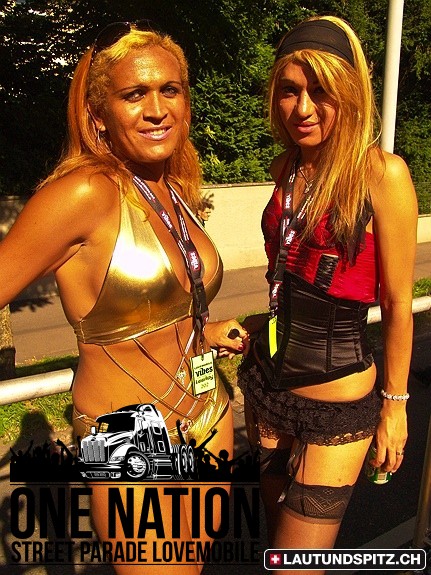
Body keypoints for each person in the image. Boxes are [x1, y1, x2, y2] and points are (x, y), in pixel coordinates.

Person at [0, 22, 248, 573]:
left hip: (208, 415)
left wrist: (205, 331)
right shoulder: (83, 193)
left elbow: (163, 304)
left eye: (170, 90)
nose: (157, 109)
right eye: (134, 94)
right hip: (129, 440)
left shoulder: (170, 187)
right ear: (99, 115)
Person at [238, 15, 417, 573]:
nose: (303, 108)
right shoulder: (285, 168)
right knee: (277, 544)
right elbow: (283, 275)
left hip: (338, 406)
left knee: (297, 563)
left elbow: (397, 304)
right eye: (289, 91)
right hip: (268, 387)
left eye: (321, 91)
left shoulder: (382, 175)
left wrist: (395, 408)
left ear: (351, 94)